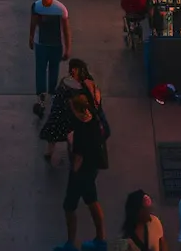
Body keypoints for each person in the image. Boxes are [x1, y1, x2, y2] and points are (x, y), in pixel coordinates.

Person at [60, 91, 106, 251]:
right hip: (92, 168)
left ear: (77, 109)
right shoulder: (92, 117)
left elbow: (78, 157)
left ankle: (70, 244)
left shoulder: (81, 129)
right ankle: (100, 240)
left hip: (81, 172)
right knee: (92, 200)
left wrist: (74, 173)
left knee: (69, 206)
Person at [40, 58, 102, 165]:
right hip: (69, 113)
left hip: (69, 113)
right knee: (67, 134)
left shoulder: (77, 82)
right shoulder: (75, 82)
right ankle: (58, 153)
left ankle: (59, 153)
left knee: (65, 134)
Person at [30, 0, 71, 118]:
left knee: (54, 70)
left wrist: (67, 48)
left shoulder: (60, 9)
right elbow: (33, 23)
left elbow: (66, 30)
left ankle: (52, 94)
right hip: (41, 44)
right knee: (40, 70)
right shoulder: (36, 7)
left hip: (55, 45)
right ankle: (41, 96)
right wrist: (30, 38)